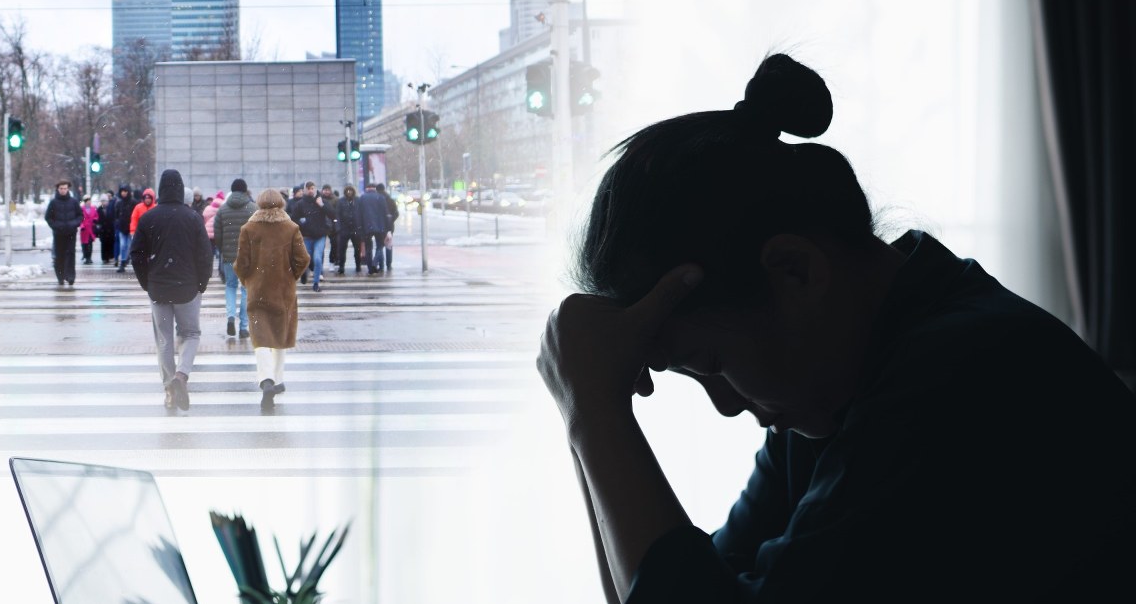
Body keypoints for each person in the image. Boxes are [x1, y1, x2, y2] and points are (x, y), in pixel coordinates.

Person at [535, 53, 1136, 603]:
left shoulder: (961, 377)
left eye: (712, 364)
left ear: (795, 271)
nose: (724, 406)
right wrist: (589, 412)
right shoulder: (833, 391)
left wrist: (596, 414)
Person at [129, 169, 213, 412]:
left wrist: (147, 282)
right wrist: (201, 283)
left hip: (158, 288)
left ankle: (168, 389)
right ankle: (181, 376)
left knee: (164, 340)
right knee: (191, 334)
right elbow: (204, 255)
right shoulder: (193, 218)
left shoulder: (148, 218)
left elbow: (136, 255)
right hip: (187, 287)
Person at [233, 187, 309, 410]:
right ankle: (277, 380)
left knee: (260, 338)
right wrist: (291, 275)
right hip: (283, 291)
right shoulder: (291, 228)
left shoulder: (249, 229)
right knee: (279, 335)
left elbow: (241, 263)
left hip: (257, 290)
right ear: (281, 204)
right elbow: (303, 258)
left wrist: (247, 279)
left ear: (259, 204)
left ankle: (266, 380)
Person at [215, 180, 256, 339]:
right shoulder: (253, 209)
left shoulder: (222, 210)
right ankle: (244, 327)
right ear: (245, 191)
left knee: (230, 286)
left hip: (229, 257)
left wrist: (223, 249)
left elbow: (218, 235)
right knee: (246, 290)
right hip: (247, 258)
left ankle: (230, 316)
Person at [294, 180, 336, 291]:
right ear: (304, 190)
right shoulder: (300, 204)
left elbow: (332, 214)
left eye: (312, 188)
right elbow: (294, 218)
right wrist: (301, 222)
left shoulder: (321, 200)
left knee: (317, 258)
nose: (311, 191)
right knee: (306, 259)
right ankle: (304, 273)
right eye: (308, 189)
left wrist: (322, 205)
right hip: (306, 236)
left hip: (320, 235)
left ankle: (316, 283)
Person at [44, 180, 82, 287]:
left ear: (68, 189)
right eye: (61, 188)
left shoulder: (74, 202)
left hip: (71, 233)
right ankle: (60, 277)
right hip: (58, 233)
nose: (63, 190)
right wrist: (56, 226)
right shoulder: (53, 202)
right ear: (58, 189)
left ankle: (70, 276)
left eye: (65, 188)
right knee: (59, 255)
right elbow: (48, 217)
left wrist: (74, 224)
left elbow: (80, 216)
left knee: (70, 254)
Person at [356, 182, 387, 274]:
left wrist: (360, 227)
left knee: (368, 248)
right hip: (380, 226)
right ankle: (375, 262)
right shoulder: (381, 197)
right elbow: (385, 213)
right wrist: (387, 227)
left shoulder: (362, 198)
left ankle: (370, 268)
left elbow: (359, 214)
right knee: (380, 246)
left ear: (367, 188)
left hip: (366, 226)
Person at [334, 184, 362, 275]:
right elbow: (337, 214)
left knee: (357, 249)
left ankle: (358, 265)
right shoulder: (341, 201)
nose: (349, 192)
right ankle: (341, 266)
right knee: (342, 250)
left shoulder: (358, 200)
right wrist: (338, 227)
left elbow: (361, 214)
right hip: (344, 228)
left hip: (355, 228)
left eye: (351, 191)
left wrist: (361, 227)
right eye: (347, 191)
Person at [114, 184, 138, 271]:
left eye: (125, 191)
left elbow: (136, 215)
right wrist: (117, 223)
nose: (123, 193)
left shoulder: (133, 202)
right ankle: (123, 262)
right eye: (122, 191)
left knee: (128, 245)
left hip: (131, 228)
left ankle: (126, 259)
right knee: (123, 245)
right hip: (122, 227)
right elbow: (116, 215)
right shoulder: (119, 203)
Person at [377, 183, 399, 272]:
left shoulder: (377, 199)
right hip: (389, 227)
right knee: (388, 246)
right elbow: (396, 213)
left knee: (379, 246)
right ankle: (389, 264)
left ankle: (381, 265)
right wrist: (391, 220)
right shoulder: (390, 200)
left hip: (379, 226)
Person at [97, 190, 116, 264]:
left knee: (110, 242)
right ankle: (104, 257)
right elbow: (97, 219)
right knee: (103, 243)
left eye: (105, 201)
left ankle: (110, 256)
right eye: (102, 201)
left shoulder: (110, 208)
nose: (103, 202)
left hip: (110, 228)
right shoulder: (99, 209)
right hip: (103, 229)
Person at [79, 197, 98, 265]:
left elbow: (96, 216)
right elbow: (80, 218)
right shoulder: (81, 209)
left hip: (91, 229)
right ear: (85, 201)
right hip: (84, 230)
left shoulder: (93, 208)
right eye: (87, 201)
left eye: (90, 201)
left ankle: (89, 258)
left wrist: (95, 220)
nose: (89, 202)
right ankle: (86, 256)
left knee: (90, 244)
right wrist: (82, 225)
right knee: (85, 244)